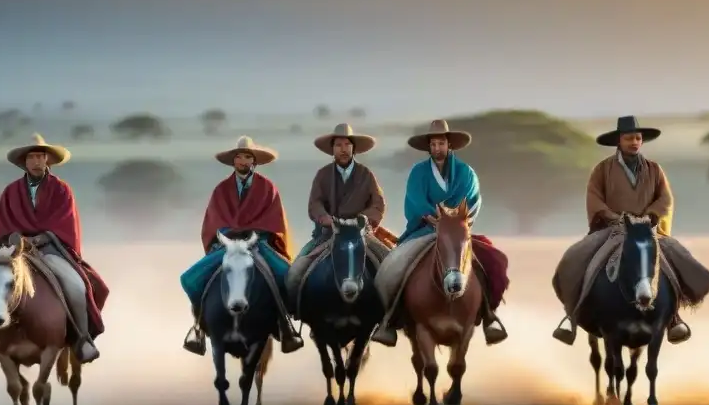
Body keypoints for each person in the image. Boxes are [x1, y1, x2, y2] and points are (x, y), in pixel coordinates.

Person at [552, 116, 709, 345]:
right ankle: (572, 314)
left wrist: (651, 215)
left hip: (647, 230)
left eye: (638, 138)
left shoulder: (654, 169)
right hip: (613, 229)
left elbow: (665, 198)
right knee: (578, 257)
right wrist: (612, 216)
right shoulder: (602, 169)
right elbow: (594, 197)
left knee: (678, 256)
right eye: (629, 138)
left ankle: (673, 318)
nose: (634, 142)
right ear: (618, 141)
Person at [0, 134, 108, 364]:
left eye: (40, 156)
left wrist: (41, 238)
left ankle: (82, 339)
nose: (36, 161)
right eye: (31, 157)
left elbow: (65, 223)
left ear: (47, 160)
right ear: (24, 161)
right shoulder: (10, 192)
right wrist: (16, 240)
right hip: (16, 253)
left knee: (77, 285)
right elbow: (3, 225)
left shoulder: (62, 190)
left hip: (51, 249)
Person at [372, 119, 509, 347]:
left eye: (441, 144)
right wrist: (431, 216)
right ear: (429, 147)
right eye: (433, 144)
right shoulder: (418, 172)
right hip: (424, 229)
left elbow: (472, 199)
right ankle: (390, 319)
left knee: (493, 261)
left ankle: (488, 315)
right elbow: (415, 199)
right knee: (395, 265)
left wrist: (453, 220)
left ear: (449, 145)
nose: (437, 148)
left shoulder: (466, 172)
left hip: (456, 230)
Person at [180, 136, 304, 355]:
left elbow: (275, 218)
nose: (243, 161)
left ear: (254, 161)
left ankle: (285, 326)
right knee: (190, 278)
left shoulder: (267, 187)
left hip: (259, 243)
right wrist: (227, 235)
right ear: (233, 161)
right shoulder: (221, 189)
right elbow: (213, 220)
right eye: (239, 157)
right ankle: (199, 328)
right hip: (228, 244)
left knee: (288, 274)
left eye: (248, 157)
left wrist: (256, 232)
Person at [286, 123, 395, 312]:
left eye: (347, 145)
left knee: (391, 266)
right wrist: (325, 218)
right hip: (329, 233)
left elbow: (378, 204)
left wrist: (364, 218)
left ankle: (390, 319)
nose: (343, 149)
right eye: (338, 145)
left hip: (361, 233)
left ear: (353, 148)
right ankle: (298, 314)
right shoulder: (323, 175)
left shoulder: (366, 174)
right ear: (332, 149)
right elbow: (315, 203)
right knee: (297, 269)